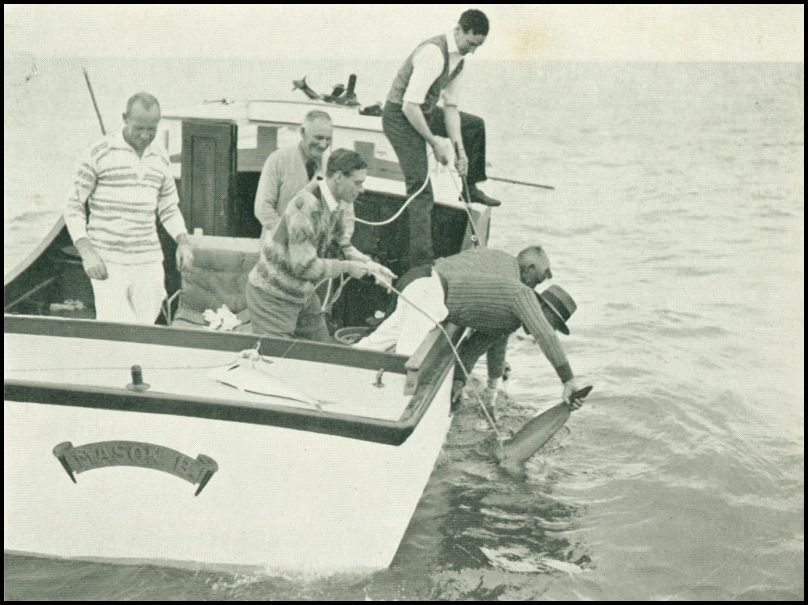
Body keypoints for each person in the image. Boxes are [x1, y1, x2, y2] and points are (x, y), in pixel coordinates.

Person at [355, 246, 582, 405]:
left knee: (375, 344)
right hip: (431, 292)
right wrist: (568, 380)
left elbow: (473, 349)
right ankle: (384, 414)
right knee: (407, 366)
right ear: (541, 307)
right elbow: (546, 336)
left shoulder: (508, 322)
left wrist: (459, 381)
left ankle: (338, 377)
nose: (549, 327)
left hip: (425, 289)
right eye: (552, 322)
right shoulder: (523, 295)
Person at [384, 8, 500, 271]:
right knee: (422, 190)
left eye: (478, 46)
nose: (472, 50)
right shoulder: (433, 54)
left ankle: (470, 184)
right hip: (399, 115)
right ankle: (421, 263)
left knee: (473, 126)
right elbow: (408, 107)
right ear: (459, 29)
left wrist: (461, 151)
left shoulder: (459, 61)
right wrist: (435, 143)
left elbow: (450, 108)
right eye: (471, 43)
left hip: (422, 110)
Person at [64, 92, 193, 324]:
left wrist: (183, 242)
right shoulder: (97, 153)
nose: (145, 135)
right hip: (107, 260)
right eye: (139, 128)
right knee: (118, 329)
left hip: (148, 261)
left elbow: (169, 208)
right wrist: (87, 252)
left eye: (151, 129)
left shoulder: (162, 157)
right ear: (125, 118)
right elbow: (73, 206)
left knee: (146, 327)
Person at [246, 149, 396, 340]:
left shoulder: (336, 205)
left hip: (302, 294)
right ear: (339, 177)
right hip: (272, 297)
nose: (362, 189)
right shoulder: (305, 205)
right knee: (278, 361)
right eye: (358, 183)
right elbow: (304, 266)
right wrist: (347, 268)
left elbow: (344, 246)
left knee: (324, 354)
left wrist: (370, 266)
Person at [254, 110, 333, 238]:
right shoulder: (277, 159)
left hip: (314, 250)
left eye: (328, 139)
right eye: (318, 138)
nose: (323, 144)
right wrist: (290, 237)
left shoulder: (331, 165)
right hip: (279, 247)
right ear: (302, 132)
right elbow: (263, 208)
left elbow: (338, 209)